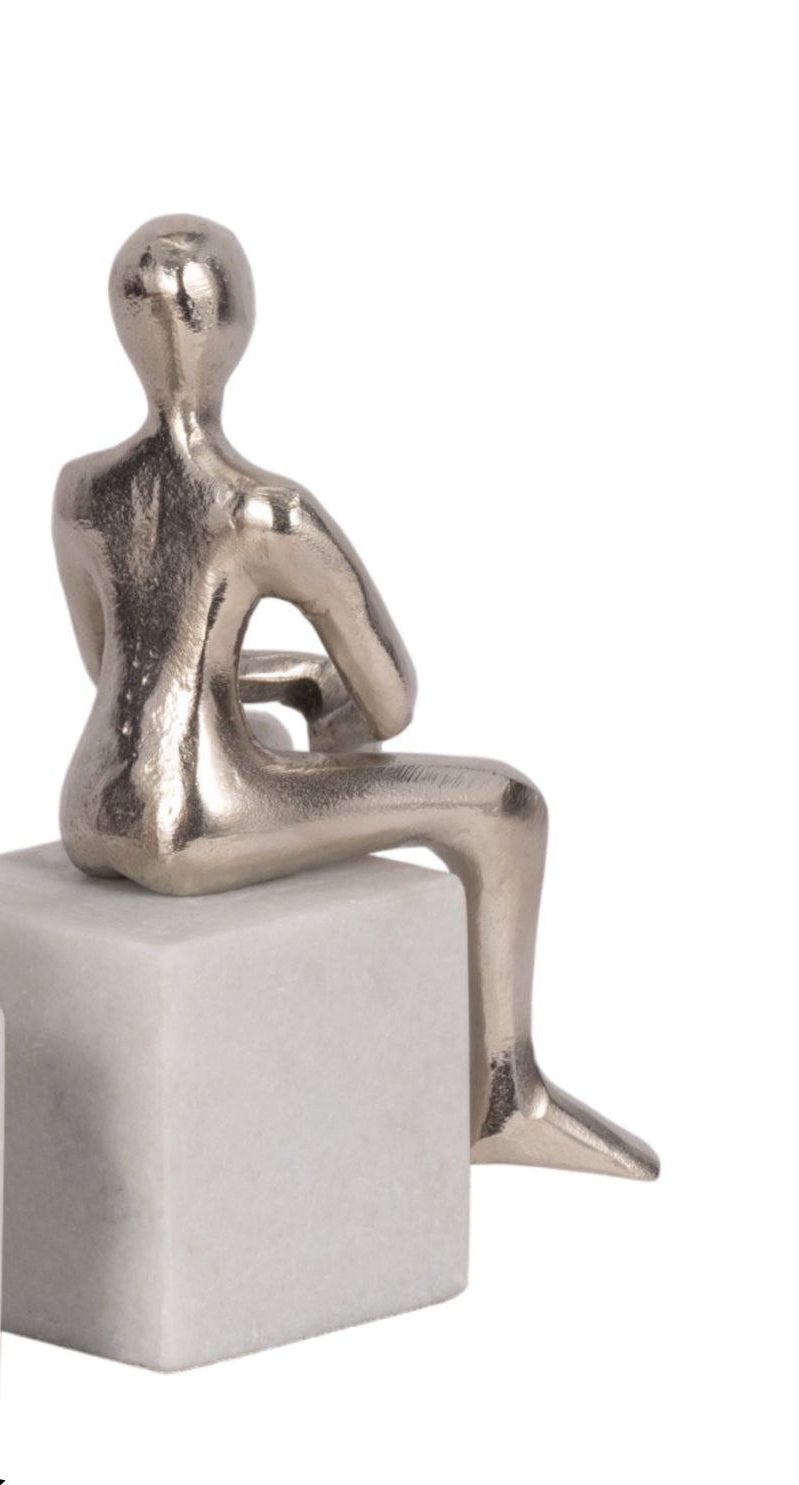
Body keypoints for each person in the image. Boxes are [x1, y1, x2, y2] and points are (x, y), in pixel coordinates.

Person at [55, 217, 655, 1180]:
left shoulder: (83, 491)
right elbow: (392, 698)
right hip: (198, 816)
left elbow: (116, 667)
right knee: (505, 806)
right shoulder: (263, 508)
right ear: (238, 328)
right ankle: (506, 1097)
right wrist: (327, 690)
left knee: (262, 721)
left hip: (94, 809)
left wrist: (291, 678)